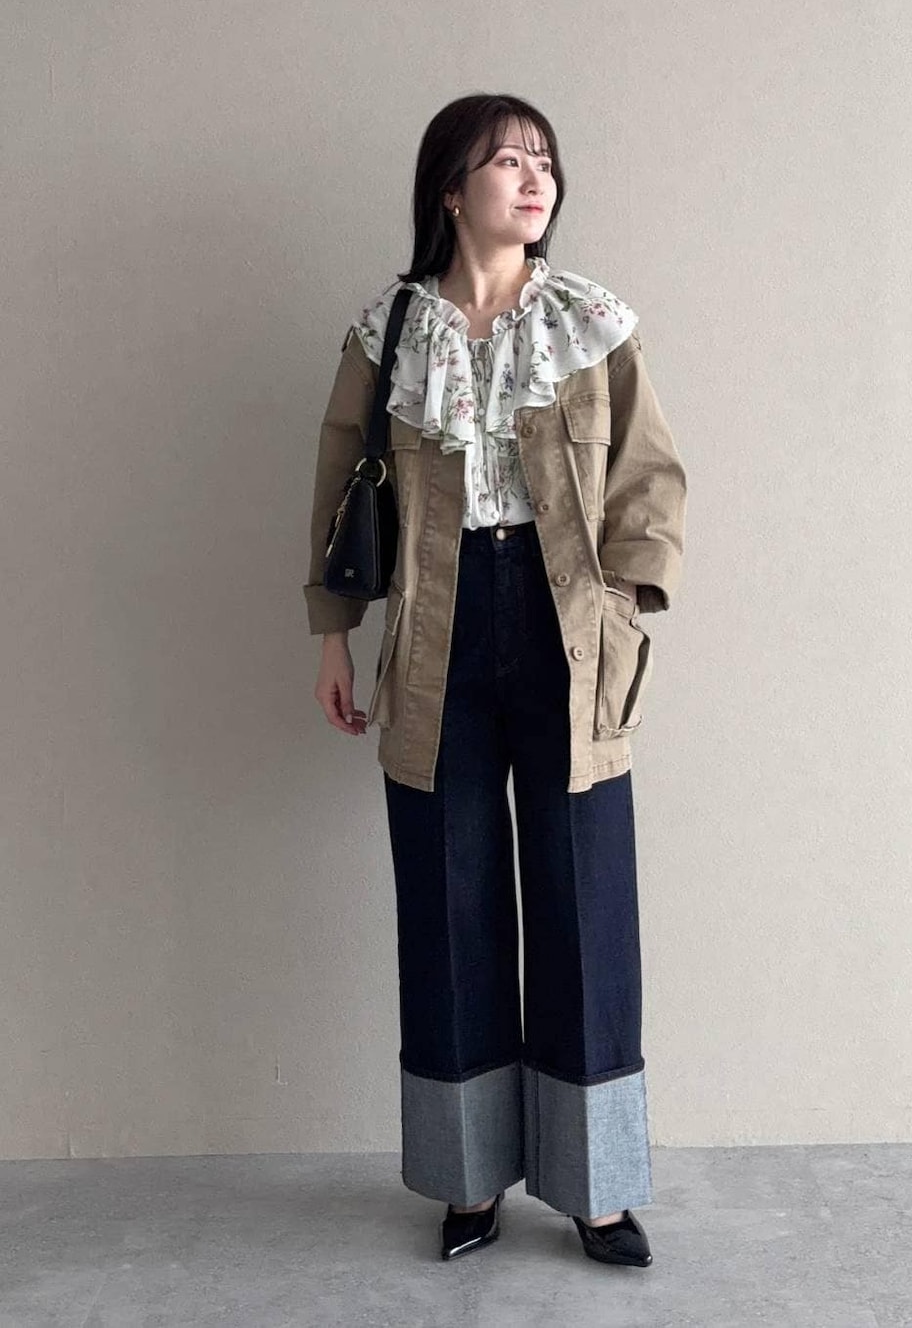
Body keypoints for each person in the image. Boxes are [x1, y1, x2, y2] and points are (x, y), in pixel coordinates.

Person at [302, 93, 687, 1268]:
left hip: (565, 623)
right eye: (507, 159)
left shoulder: (590, 322)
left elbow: (650, 475)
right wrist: (333, 632)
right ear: (449, 187)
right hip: (435, 628)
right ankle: (466, 1178)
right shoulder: (387, 333)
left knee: (585, 901)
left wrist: (622, 603)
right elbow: (338, 483)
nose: (534, 179)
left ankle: (596, 1187)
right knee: (448, 896)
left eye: (544, 162)